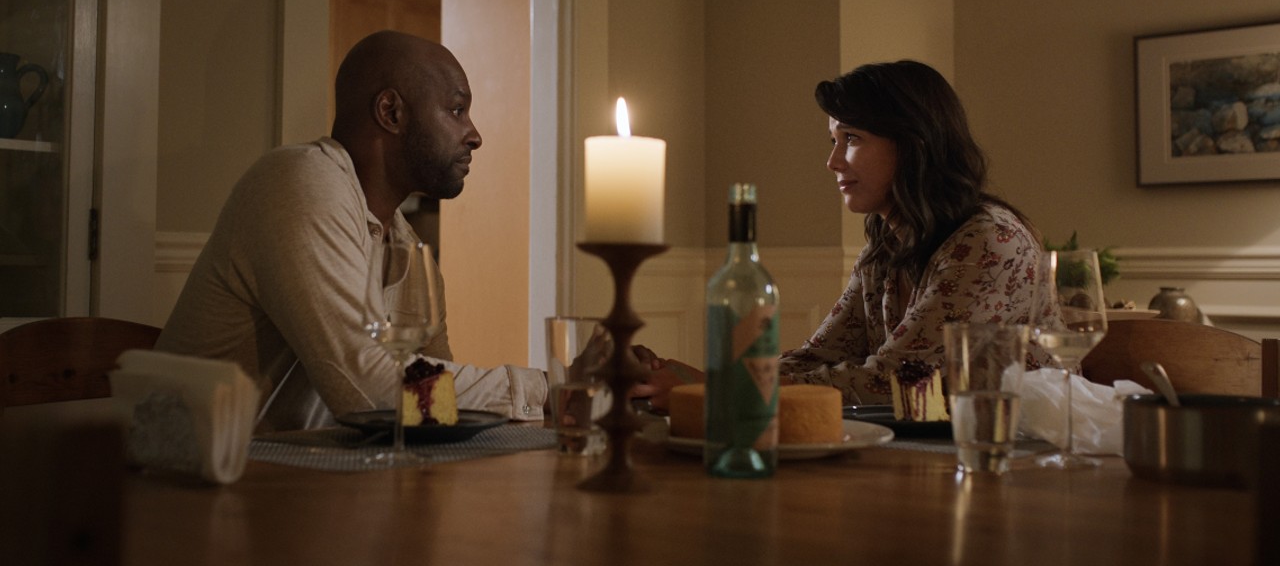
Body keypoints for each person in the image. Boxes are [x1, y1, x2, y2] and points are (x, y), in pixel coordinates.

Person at [156, 31, 547, 432]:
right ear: (391, 112)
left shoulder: (405, 248)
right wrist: (545, 390)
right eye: (457, 110)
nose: (474, 135)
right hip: (179, 480)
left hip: (293, 480)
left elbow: (432, 403)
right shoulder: (299, 180)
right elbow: (370, 391)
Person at [636, 59, 1049, 408]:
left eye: (851, 138)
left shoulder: (990, 240)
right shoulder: (887, 242)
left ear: (913, 146)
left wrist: (717, 391)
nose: (832, 161)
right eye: (833, 139)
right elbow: (820, 355)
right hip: (932, 448)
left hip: (1024, 456)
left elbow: (899, 380)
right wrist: (703, 380)